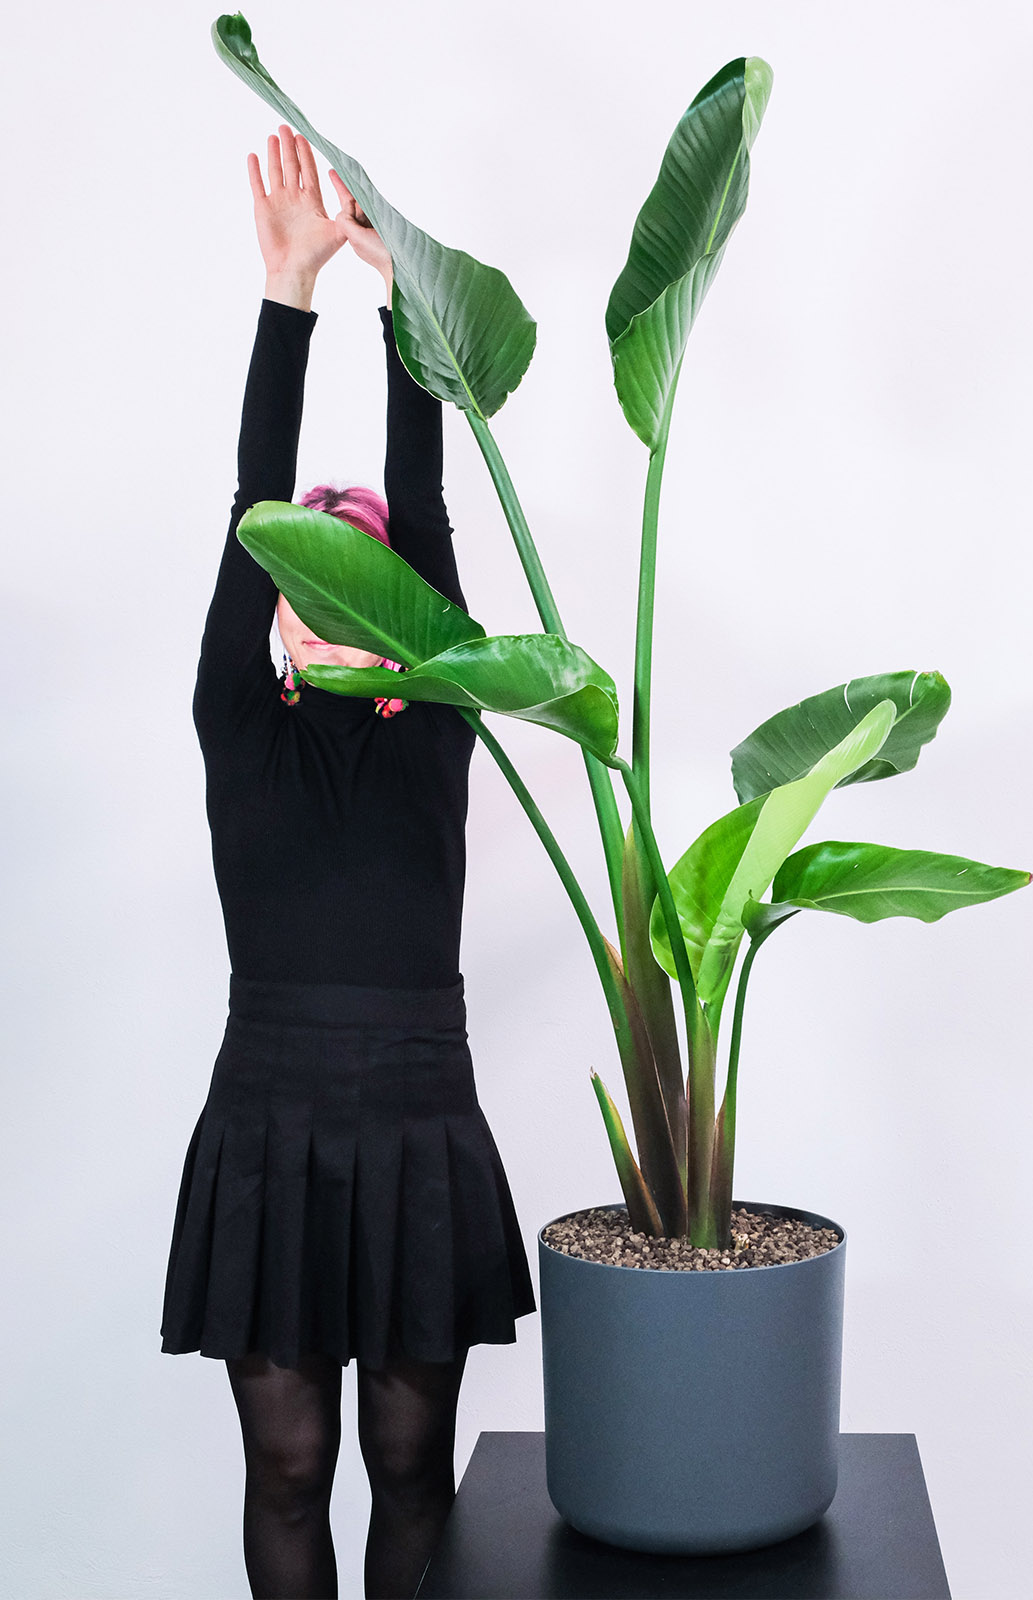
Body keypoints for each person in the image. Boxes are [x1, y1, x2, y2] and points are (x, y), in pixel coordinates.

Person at [160, 125, 534, 1600]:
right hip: (270, 1120)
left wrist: (402, 304)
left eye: (353, 573)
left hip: (416, 1120)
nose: (319, 593)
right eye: (298, 579)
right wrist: (285, 295)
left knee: (409, 1467)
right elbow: (256, 491)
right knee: (290, 1466)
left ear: (397, 610)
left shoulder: (440, 716)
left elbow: (422, 504)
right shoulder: (237, 722)